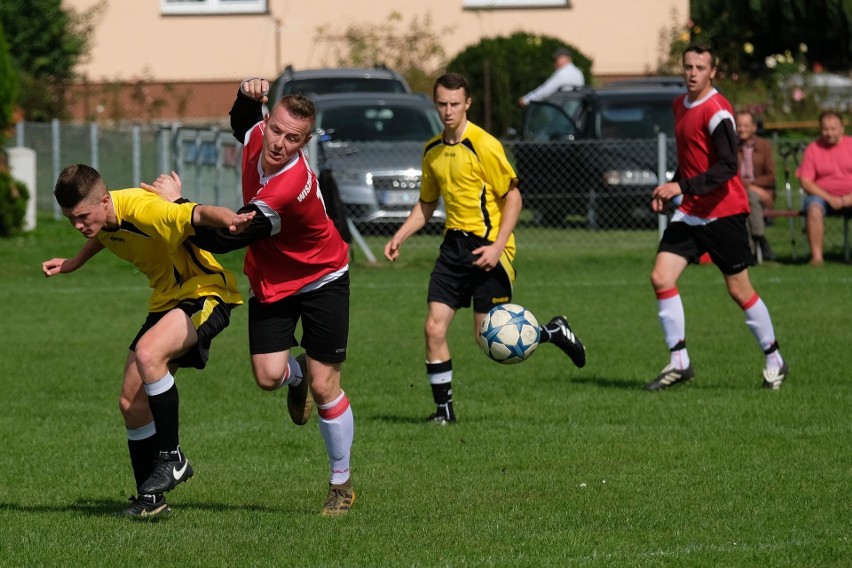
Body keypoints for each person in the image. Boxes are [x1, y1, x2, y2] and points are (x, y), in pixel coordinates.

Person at [146, 80, 355, 516]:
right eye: (276, 129)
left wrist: (177, 204)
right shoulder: (261, 134)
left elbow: (226, 238)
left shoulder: (287, 187)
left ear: (305, 142)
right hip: (272, 280)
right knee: (267, 376)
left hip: (323, 278)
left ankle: (341, 483)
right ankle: (293, 380)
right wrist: (245, 93)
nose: (278, 142)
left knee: (325, 383)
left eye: (292, 138)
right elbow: (243, 122)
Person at [42, 165, 252, 517]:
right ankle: (149, 501)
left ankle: (173, 458)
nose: (78, 226)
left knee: (148, 352)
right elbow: (105, 233)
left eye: (82, 217)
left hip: (205, 292)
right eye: (70, 219)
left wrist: (231, 218)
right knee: (131, 403)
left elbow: (196, 213)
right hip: (167, 301)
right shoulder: (105, 216)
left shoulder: (146, 209)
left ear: (105, 201)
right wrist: (74, 262)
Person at [384, 72, 586, 425]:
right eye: (442, 104)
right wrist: (400, 235)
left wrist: (497, 247)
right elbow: (427, 204)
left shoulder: (484, 144)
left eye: (454, 104)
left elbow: (514, 197)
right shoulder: (432, 150)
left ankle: (552, 331)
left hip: (488, 249)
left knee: (487, 339)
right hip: (453, 248)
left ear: (467, 104)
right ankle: (443, 412)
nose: (448, 111)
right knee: (434, 328)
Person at [646, 44, 787, 391]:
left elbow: (727, 167)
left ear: (713, 72)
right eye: (688, 66)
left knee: (739, 290)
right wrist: (672, 190)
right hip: (691, 211)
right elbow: (690, 159)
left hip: (723, 213)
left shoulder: (717, 110)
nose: (693, 72)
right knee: (661, 277)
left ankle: (774, 358)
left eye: (700, 67)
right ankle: (679, 362)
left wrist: (681, 185)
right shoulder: (680, 105)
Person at [796, 110, 852, 265]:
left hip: (850, 195)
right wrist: (830, 198)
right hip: (823, 197)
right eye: (825, 129)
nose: (829, 133)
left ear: (842, 129)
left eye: (833, 129)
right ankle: (817, 257)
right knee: (813, 208)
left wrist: (849, 197)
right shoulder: (813, 149)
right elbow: (806, 181)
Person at [735, 110, 777, 261]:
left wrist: (754, 187)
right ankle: (759, 238)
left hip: (763, 193)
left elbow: (771, 176)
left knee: (749, 198)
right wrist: (750, 187)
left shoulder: (764, 146)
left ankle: (752, 247)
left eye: (746, 125)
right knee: (747, 197)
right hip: (740, 192)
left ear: (753, 127)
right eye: (739, 125)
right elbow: (731, 174)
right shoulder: (732, 146)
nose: (742, 129)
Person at [518, 47, 585, 107]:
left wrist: (526, 99)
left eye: (557, 59)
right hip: (574, 110)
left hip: (562, 110)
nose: (555, 62)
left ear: (564, 58)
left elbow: (545, 91)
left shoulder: (563, 73)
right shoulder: (578, 72)